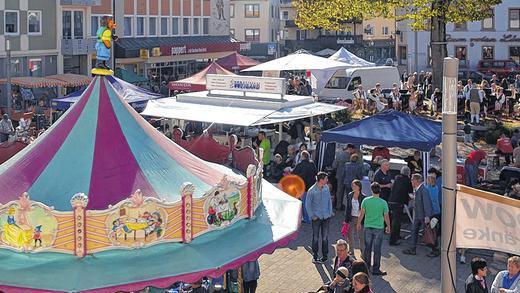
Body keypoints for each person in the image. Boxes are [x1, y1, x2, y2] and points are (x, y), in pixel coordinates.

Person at [357, 182, 390, 276]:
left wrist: (359, 223)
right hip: (379, 228)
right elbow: (386, 216)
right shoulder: (383, 203)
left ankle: (366, 268)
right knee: (377, 249)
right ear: (380, 190)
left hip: (367, 227)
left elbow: (361, 214)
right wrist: (388, 226)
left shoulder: (366, 201)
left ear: (371, 190)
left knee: (367, 248)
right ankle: (376, 269)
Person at [306, 172, 334, 263]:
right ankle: (315, 256)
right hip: (316, 218)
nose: (327, 180)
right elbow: (308, 205)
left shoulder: (326, 188)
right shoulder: (312, 190)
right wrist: (312, 216)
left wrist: (330, 212)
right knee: (316, 237)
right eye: (326, 178)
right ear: (321, 180)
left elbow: (329, 200)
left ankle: (325, 256)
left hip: (326, 217)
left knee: (325, 237)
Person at [403, 174, 433, 256]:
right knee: (414, 230)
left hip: (423, 216)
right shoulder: (418, 189)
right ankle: (412, 249)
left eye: (412, 179)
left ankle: (435, 249)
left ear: (417, 181)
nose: (411, 181)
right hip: (418, 215)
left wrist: (427, 216)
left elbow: (427, 203)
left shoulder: (423, 190)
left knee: (428, 232)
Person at [388, 166, 413, 246]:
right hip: (399, 202)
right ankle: (392, 240)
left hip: (392, 200)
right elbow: (410, 191)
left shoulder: (397, 178)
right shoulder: (408, 181)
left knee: (396, 220)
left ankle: (397, 236)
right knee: (396, 221)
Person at [344, 180, 365, 256]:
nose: (353, 187)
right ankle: (351, 251)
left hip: (360, 218)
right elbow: (348, 208)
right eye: (352, 186)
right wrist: (346, 220)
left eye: (354, 186)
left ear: (359, 187)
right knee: (350, 235)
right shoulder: (350, 195)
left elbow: (364, 210)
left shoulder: (363, 197)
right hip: (351, 217)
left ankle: (363, 252)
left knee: (361, 236)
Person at [332, 144, 354, 210]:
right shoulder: (352, 157)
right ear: (350, 149)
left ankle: (338, 206)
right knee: (348, 192)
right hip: (349, 177)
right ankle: (347, 207)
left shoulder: (339, 155)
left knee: (339, 191)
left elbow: (334, 166)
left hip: (339, 176)